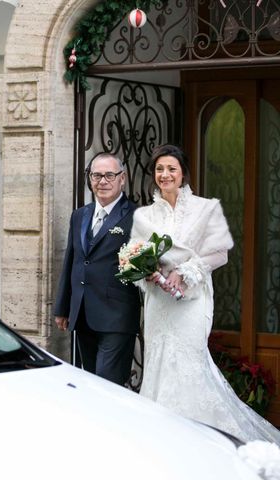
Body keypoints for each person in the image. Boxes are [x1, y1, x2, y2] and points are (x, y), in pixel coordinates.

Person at [131, 144, 280, 443]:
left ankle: (199, 439)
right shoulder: (144, 215)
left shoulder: (206, 207)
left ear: (183, 172)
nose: (165, 174)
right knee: (158, 362)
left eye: (171, 168)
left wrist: (184, 272)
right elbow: (134, 255)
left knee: (188, 362)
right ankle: (160, 437)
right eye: (160, 169)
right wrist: (146, 271)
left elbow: (220, 253)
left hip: (190, 301)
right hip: (159, 303)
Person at [54, 153, 141, 386]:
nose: (102, 181)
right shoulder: (80, 215)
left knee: (108, 385)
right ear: (90, 179)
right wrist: (63, 307)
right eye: (96, 175)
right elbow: (71, 262)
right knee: (91, 384)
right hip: (83, 314)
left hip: (117, 317)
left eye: (109, 175)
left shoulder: (137, 216)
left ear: (122, 178)